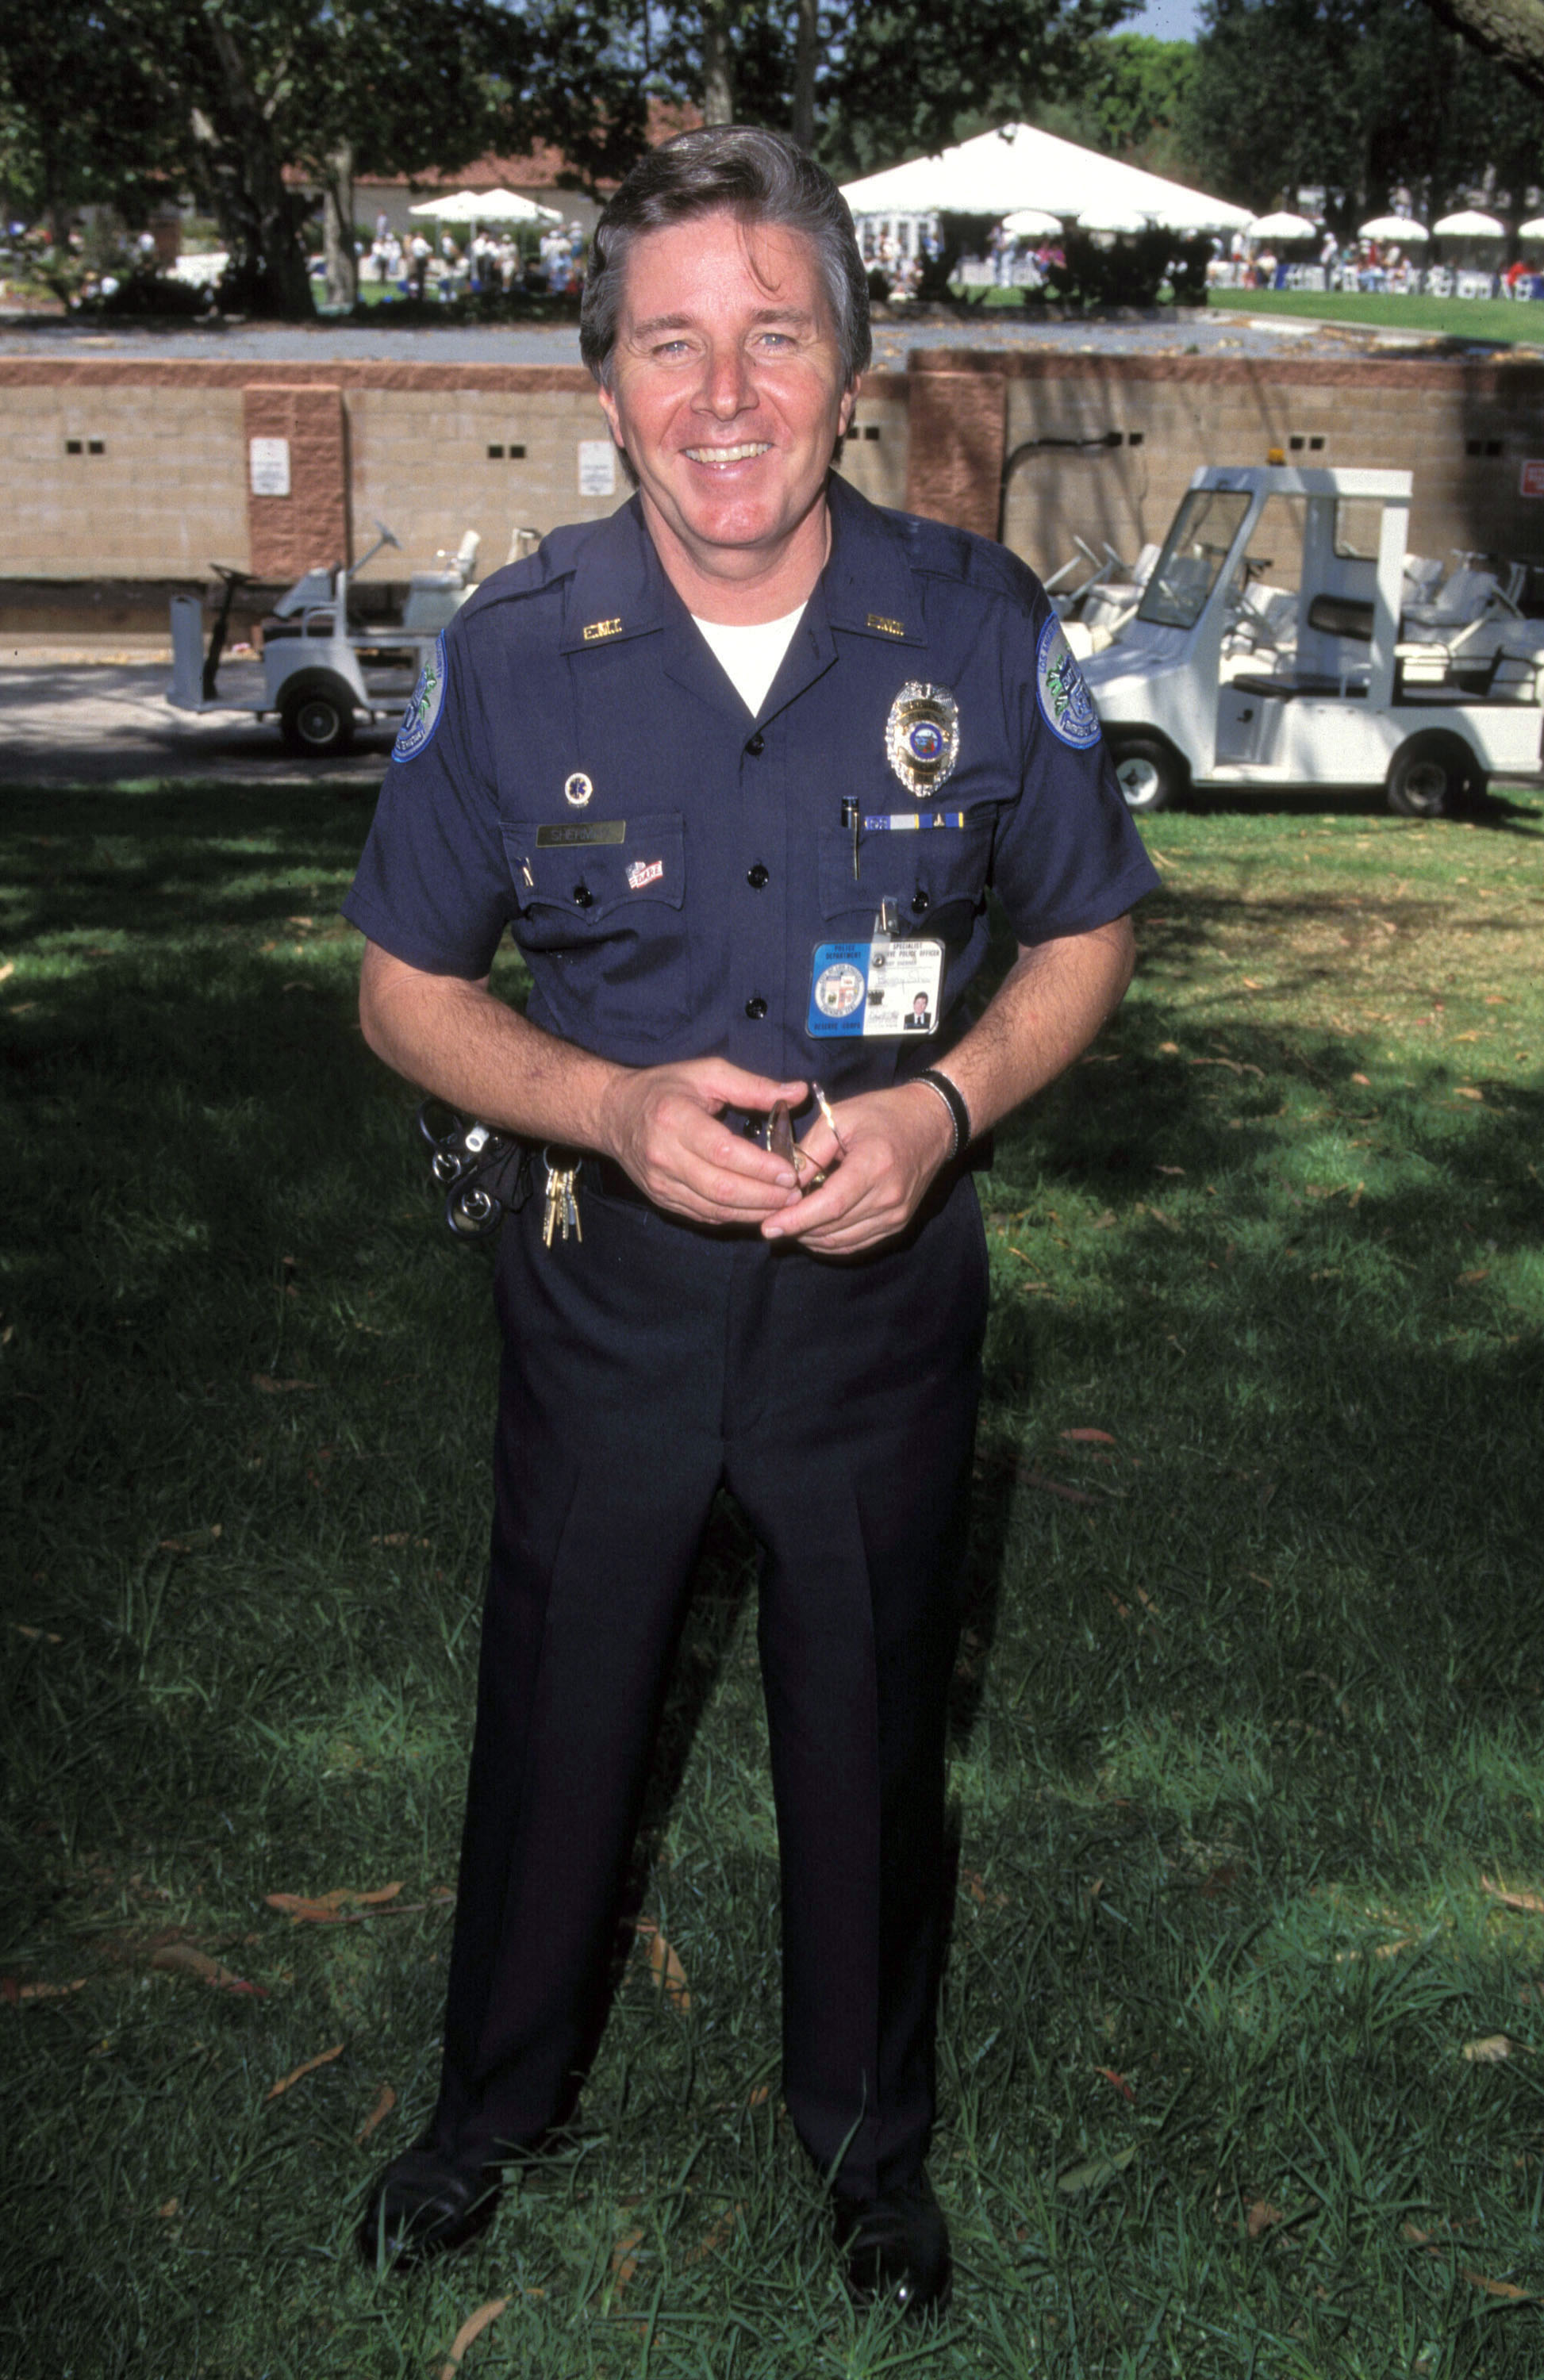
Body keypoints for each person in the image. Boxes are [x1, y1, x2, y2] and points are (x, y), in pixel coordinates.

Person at [348, 123, 1158, 2318]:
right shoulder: (515, 653)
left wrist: (951, 1111)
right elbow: (403, 990)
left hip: (876, 1300)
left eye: (772, 338)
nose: (724, 399)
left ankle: (869, 2148)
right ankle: (484, 2113)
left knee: (868, 1721)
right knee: (558, 1711)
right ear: (602, 382)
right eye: (671, 346)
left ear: (848, 365)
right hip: (606, 1303)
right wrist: (599, 1101)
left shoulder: (973, 629)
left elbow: (1083, 930)